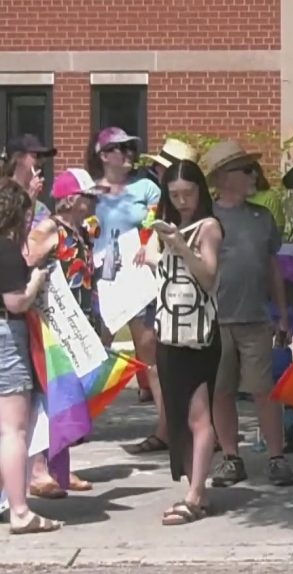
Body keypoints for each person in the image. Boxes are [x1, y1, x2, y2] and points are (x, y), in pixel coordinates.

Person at [203, 140, 293, 488]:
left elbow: (274, 269)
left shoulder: (262, 218)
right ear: (225, 178)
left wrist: (283, 314)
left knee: (264, 389)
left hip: (256, 318)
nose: (253, 175)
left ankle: (276, 457)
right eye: (246, 170)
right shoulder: (207, 219)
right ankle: (231, 457)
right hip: (216, 320)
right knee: (221, 391)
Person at [141, 160, 223, 525]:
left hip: (199, 335)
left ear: (200, 192)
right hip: (170, 331)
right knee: (177, 416)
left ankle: (194, 495)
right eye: (174, 196)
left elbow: (208, 277)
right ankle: (197, 490)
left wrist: (180, 246)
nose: (182, 201)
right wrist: (153, 254)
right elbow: (169, 275)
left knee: (199, 415)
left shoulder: (208, 227)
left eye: (188, 194)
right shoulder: (166, 227)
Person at [87, 127, 168, 454]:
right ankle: (77, 423)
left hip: (138, 277)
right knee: (92, 351)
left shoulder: (147, 187)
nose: (128, 154)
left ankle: (166, 427)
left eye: (130, 148)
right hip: (102, 277)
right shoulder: (91, 193)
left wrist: (148, 242)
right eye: (119, 149)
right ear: (104, 155)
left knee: (149, 353)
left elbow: (159, 222)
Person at [23, 169, 104, 496]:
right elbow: (25, 259)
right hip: (51, 326)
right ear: (71, 199)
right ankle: (38, 470)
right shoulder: (49, 228)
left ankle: (60, 466)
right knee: (48, 394)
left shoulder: (81, 231)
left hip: (77, 324)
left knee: (69, 395)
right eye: (89, 196)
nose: (94, 201)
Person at [0, 178, 62, 534]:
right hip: (7, 336)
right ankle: (20, 511)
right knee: (14, 430)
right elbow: (16, 302)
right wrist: (37, 279)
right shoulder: (7, 249)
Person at [1, 134, 56, 227]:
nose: (41, 161)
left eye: (42, 157)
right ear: (18, 157)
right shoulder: (3, 194)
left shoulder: (42, 210)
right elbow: (11, 234)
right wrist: (29, 200)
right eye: (35, 156)